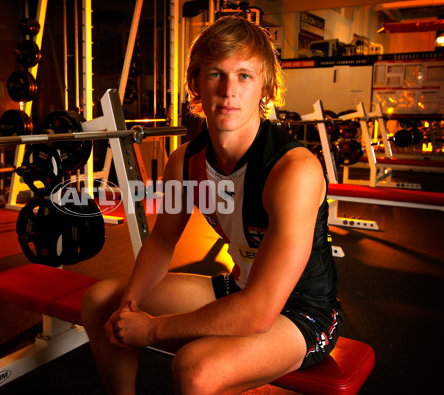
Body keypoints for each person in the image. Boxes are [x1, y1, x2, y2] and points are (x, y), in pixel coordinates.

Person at [81, 15, 341, 395]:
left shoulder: (292, 170)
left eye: (245, 76)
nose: (229, 91)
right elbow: (162, 241)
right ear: (196, 83)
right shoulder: (186, 159)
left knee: (195, 369)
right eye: (216, 74)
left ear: (265, 88)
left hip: (301, 313)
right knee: (101, 301)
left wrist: (151, 328)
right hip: (238, 288)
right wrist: (130, 308)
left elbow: (257, 312)